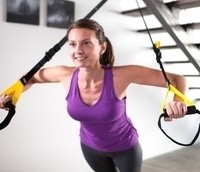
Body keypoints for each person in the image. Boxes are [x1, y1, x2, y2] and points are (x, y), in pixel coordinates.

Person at [0, 18, 187, 172]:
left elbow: (176, 79)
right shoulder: (65, 75)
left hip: (126, 149)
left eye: (86, 43)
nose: (78, 50)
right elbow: (28, 79)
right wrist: (11, 95)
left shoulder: (122, 75)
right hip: (90, 148)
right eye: (72, 44)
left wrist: (177, 102)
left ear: (102, 47)